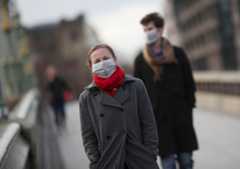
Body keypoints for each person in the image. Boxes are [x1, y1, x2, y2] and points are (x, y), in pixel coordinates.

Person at [134, 12, 199, 169]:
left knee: (186, 160)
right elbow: (138, 92)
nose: (147, 32)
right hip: (158, 121)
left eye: (150, 28)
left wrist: (188, 107)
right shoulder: (140, 59)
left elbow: (189, 83)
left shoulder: (178, 53)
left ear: (161, 29)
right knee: (168, 163)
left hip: (181, 117)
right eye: (145, 30)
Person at [79, 44, 160, 169]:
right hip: (108, 161)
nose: (103, 63)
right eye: (97, 61)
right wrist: (96, 161)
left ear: (114, 60)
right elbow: (88, 136)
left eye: (106, 58)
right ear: (91, 67)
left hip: (140, 159)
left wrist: (150, 154)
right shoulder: (86, 97)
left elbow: (149, 123)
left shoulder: (136, 85)